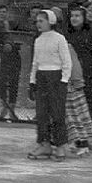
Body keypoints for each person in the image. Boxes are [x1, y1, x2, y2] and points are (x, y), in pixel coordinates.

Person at [27, 10, 72, 161]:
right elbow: (35, 63)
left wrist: (64, 80)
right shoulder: (38, 40)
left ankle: (60, 146)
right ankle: (44, 144)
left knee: (57, 113)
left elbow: (67, 62)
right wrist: (32, 81)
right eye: (37, 21)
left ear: (51, 21)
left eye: (41, 21)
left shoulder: (59, 39)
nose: (38, 24)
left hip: (56, 78)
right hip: (42, 78)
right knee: (41, 114)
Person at [65, 4, 92, 149]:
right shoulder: (67, 35)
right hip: (75, 78)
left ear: (83, 18)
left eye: (78, 16)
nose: (74, 18)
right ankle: (81, 138)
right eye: (72, 16)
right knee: (78, 108)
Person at [0, 37, 22, 122]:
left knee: (12, 84)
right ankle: (6, 108)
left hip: (10, 56)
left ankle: (9, 108)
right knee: (2, 83)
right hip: (2, 55)